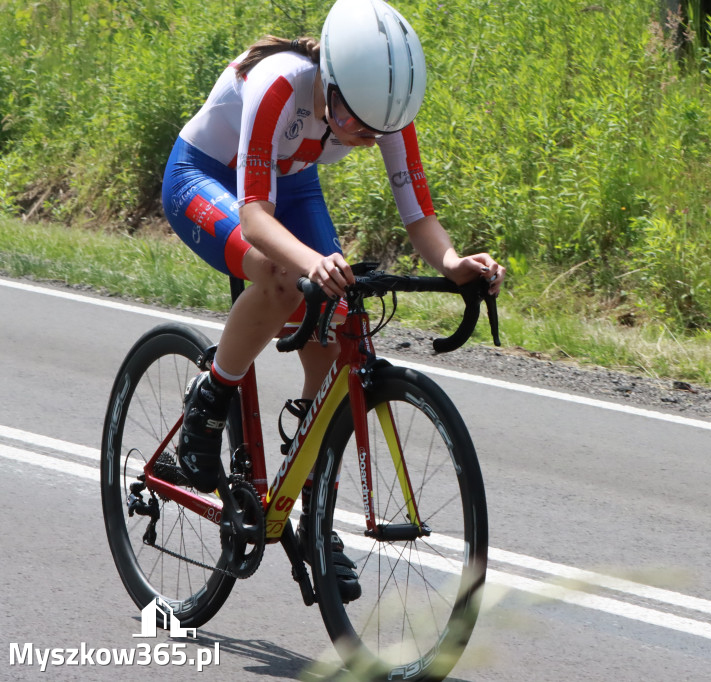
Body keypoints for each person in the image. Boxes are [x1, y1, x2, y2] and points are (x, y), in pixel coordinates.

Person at [161, 0, 505, 601]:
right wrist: (313, 263)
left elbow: (418, 215)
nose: (370, 139)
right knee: (276, 274)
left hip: (289, 183)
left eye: (381, 129)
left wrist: (454, 264)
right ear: (330, 84)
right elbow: (255, 217)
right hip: (205, 176)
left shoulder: (384, 109)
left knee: (341, 323)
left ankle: (312, 511)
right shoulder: (278, 86)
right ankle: (211, 393)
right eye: (359, 124)